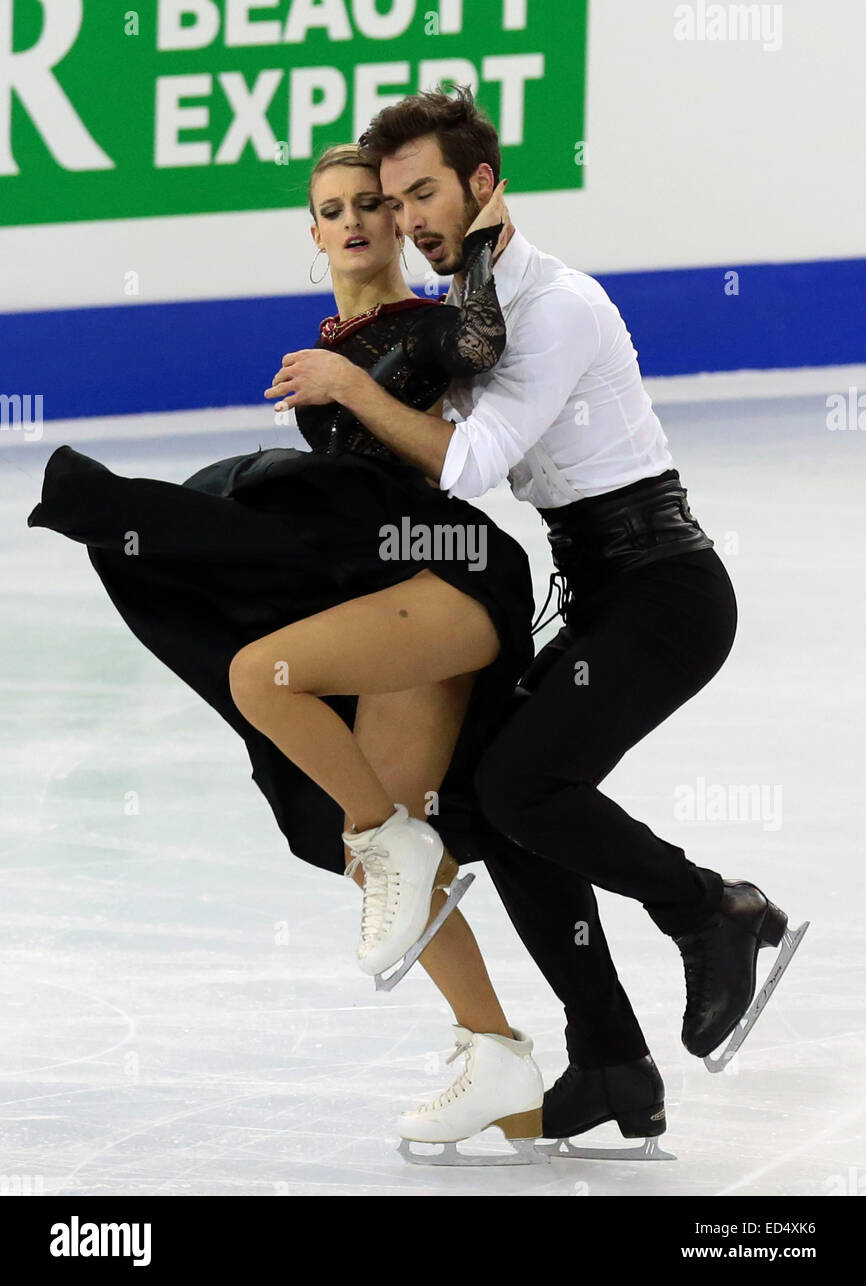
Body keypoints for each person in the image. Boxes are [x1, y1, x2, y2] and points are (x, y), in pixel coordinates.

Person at [269, 88, 802, 1151]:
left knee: (522, 784)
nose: (409, 216)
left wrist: (344, 381)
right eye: (391, 198)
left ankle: (710, 909)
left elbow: (472, 464)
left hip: (664, 592)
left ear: (482, 182)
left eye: (425, 191)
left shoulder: (551, 304)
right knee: (481, 794)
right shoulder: (472, 304)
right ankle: (610, 1058)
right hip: (599, 587)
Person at [26, 144, 553, 1160]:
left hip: (435, 566)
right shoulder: (336, 337)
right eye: (332, 209)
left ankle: (682, 923)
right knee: (385, 843)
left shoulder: (428, 328)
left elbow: (478, 346)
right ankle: (494, 1055)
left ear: (400, 221)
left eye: (372, 205)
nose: (353, 220)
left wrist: (480, 233)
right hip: (376, 580)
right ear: (310, 234)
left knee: (280, 701)